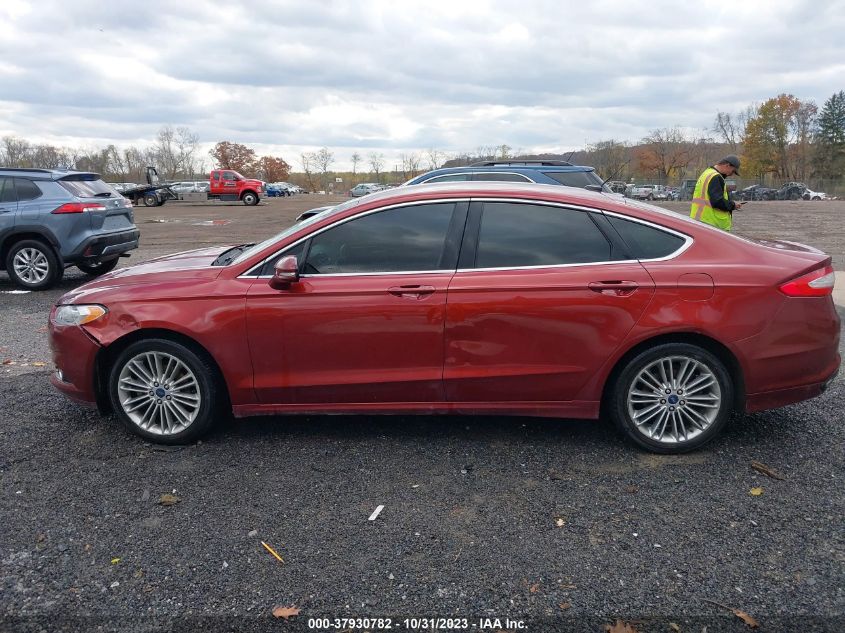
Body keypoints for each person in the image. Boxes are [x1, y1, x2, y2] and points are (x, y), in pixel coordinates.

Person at [689, 155, 743, 231]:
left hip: (701, 220)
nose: (731, 174)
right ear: (727, 165)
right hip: (711, 223)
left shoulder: (707, 173)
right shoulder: (716, 177)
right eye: (733, 171)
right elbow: (717, 201)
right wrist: (732, 205)